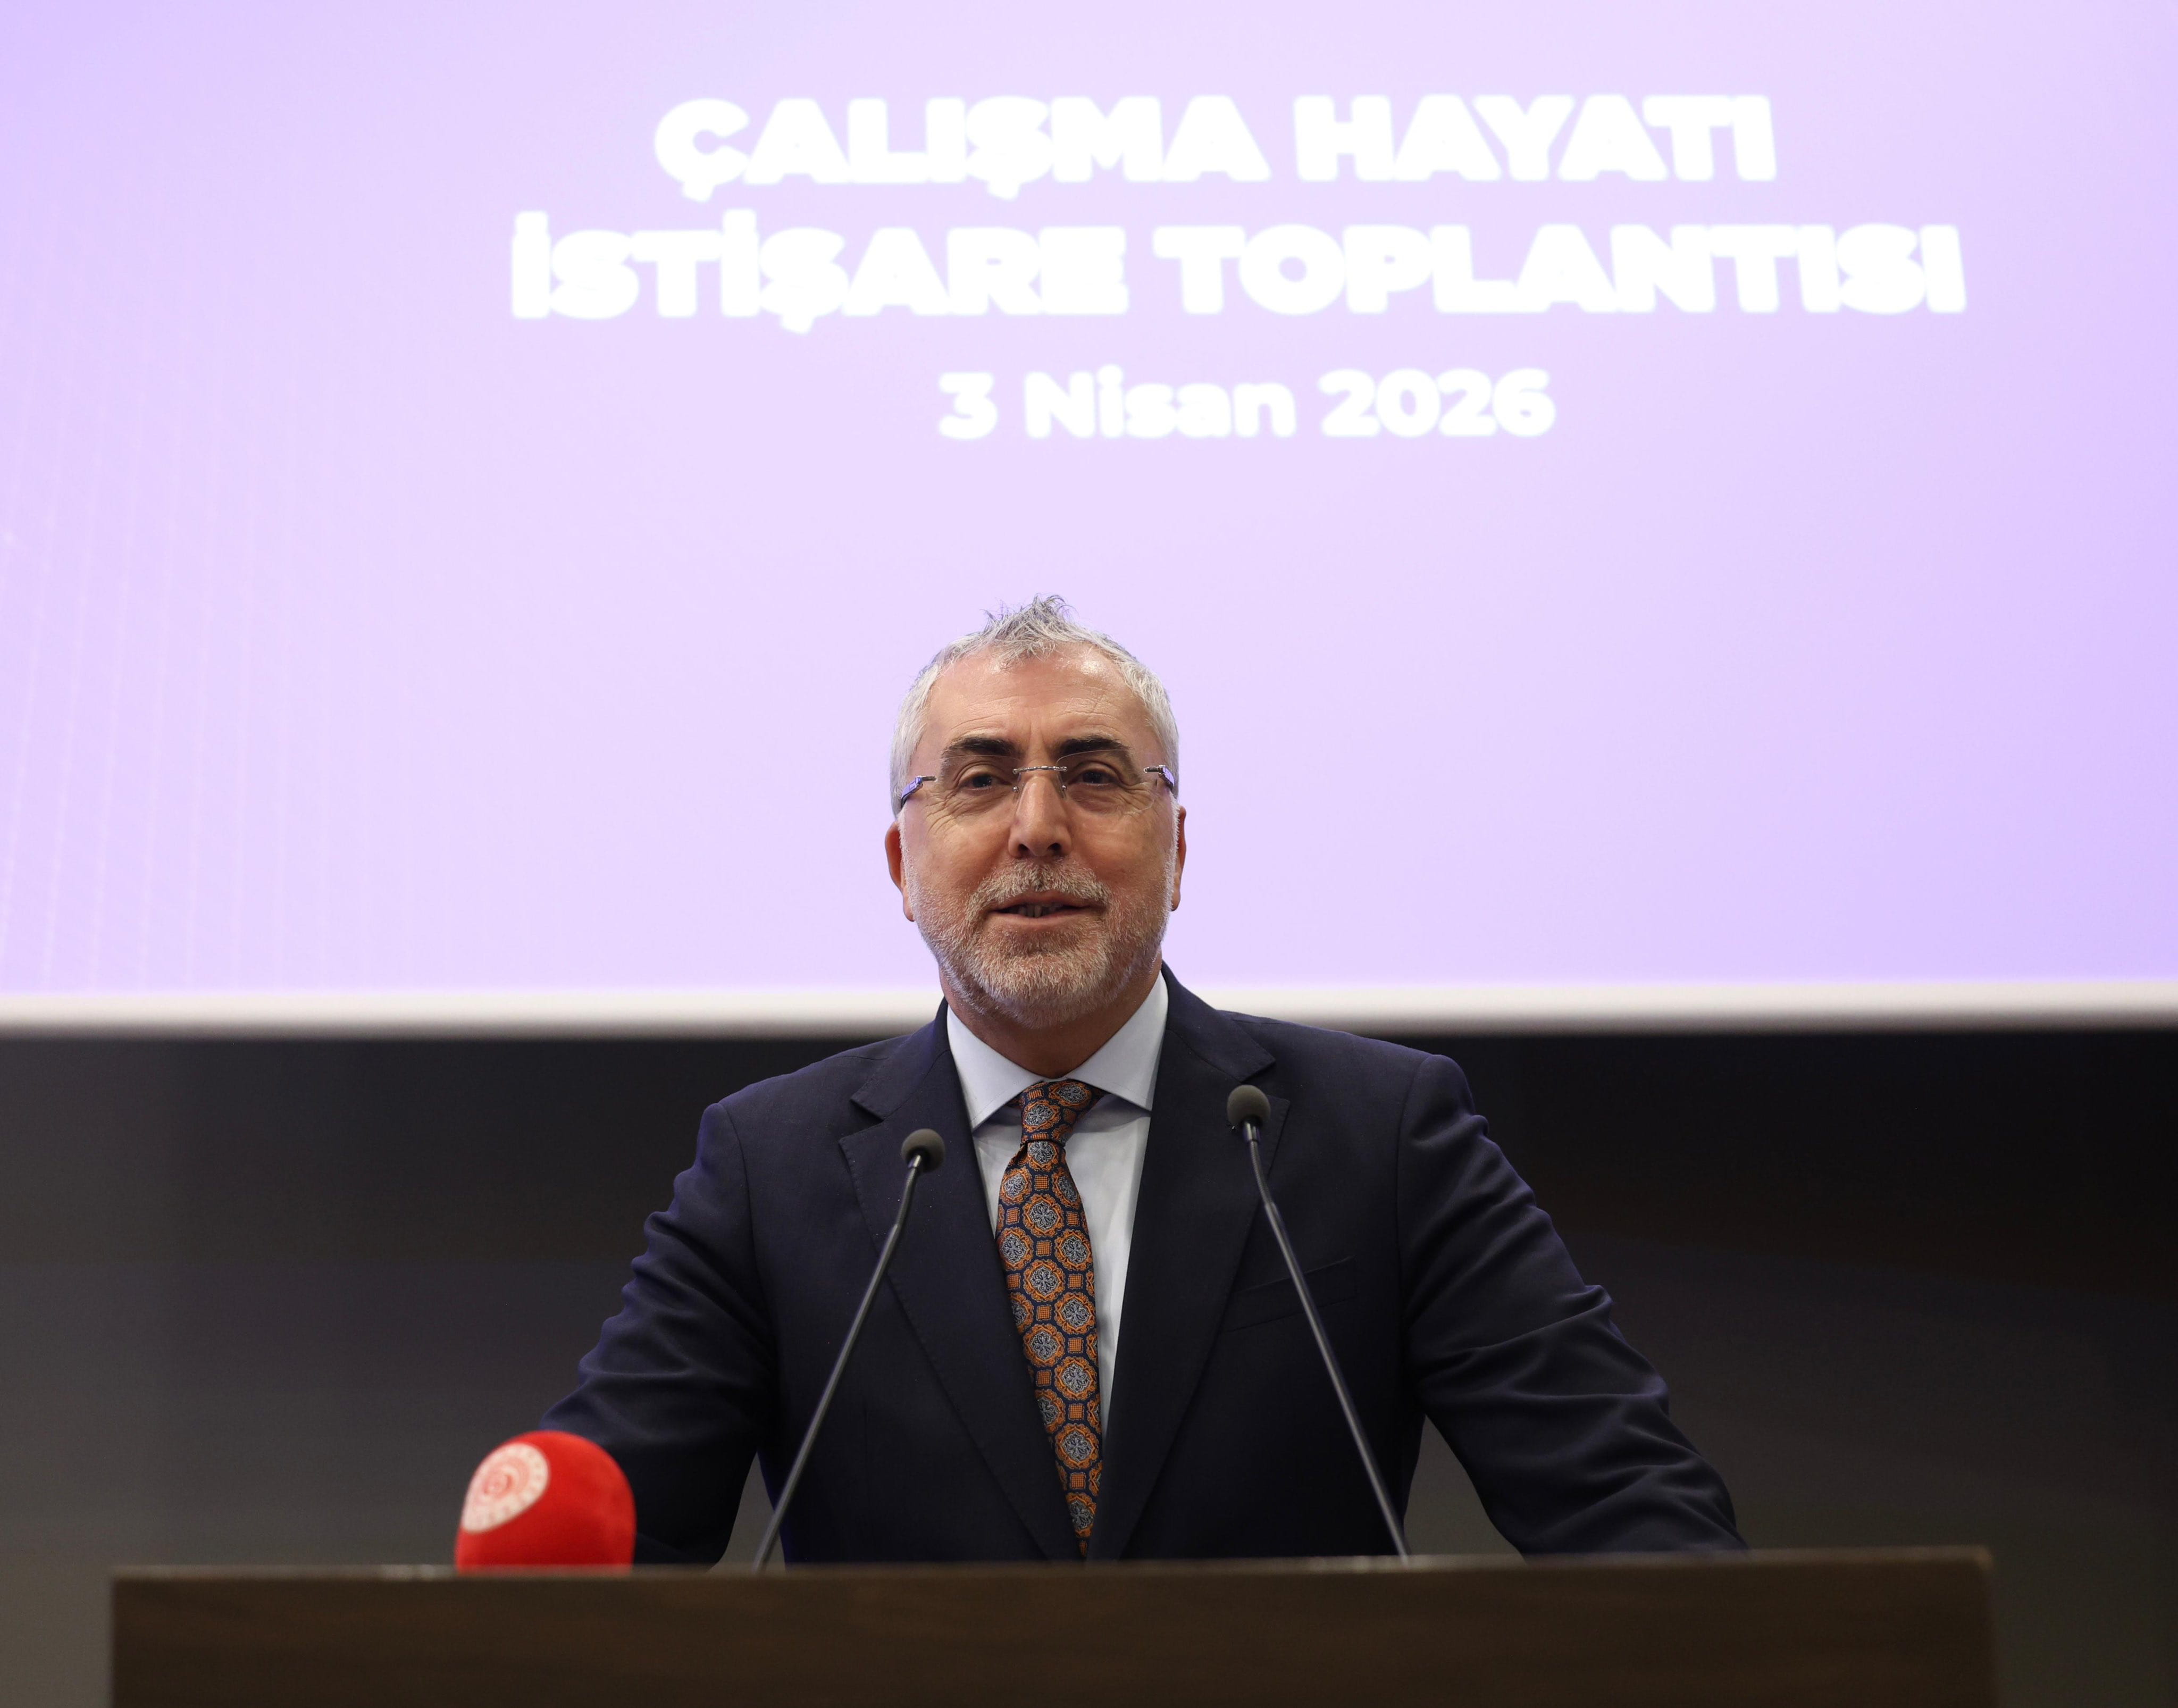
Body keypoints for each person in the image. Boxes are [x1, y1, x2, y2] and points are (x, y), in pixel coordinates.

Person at [543, 597, 1741, 1562]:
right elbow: (591, 1542)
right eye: (979, 779)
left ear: (1177, 852)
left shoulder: (1381, 1134)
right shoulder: (768, 1168)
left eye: (1094, 775)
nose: (1037, 826)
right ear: (903, 864)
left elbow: (1631, 1511)